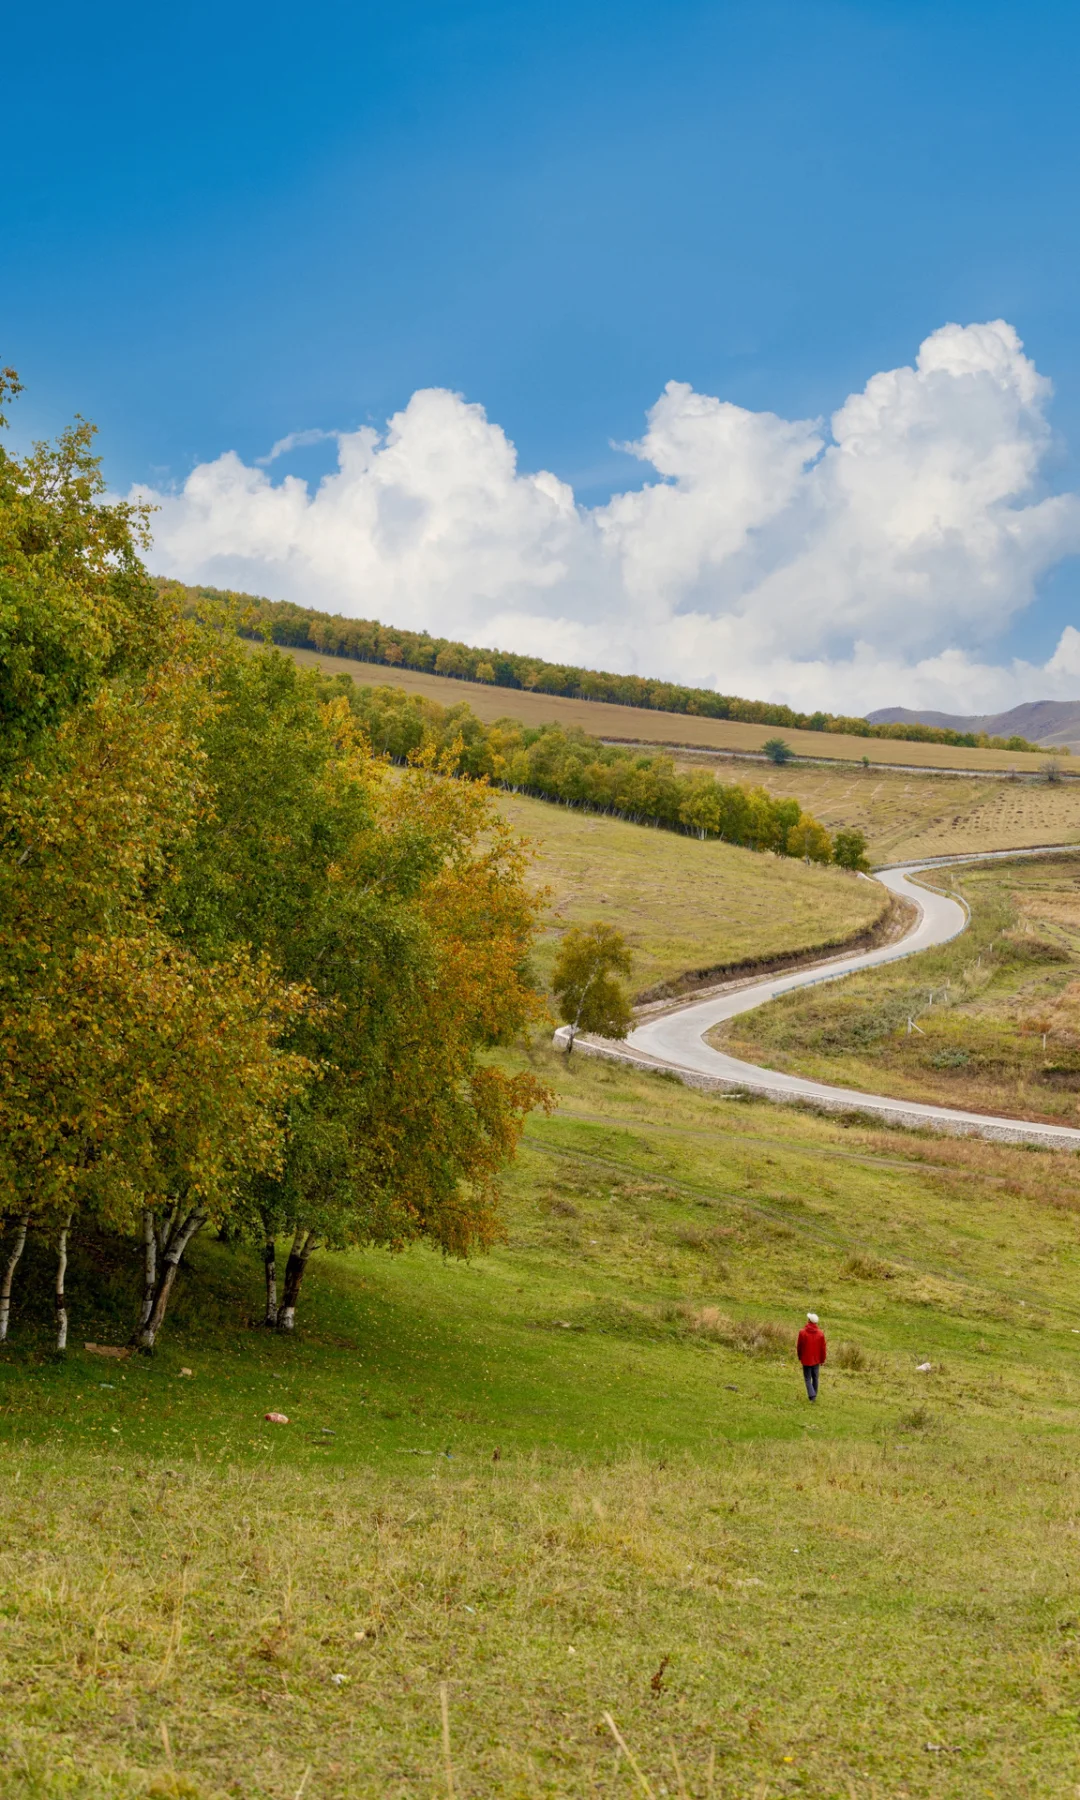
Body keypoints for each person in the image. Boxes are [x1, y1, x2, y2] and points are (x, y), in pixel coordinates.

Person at [797, 1312, 826, 1401]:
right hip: (816, 1360)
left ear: (809, 1321)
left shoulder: (802, 1332)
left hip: (806, 1359)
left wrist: (800, 1356)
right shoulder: (821, 1334)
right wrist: (822, 1360)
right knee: (815, 1378)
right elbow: (823, 1348)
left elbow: (799, 1346)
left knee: (807, 1378)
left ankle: (812, 1395)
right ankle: (814, 1395)